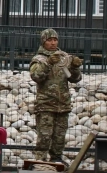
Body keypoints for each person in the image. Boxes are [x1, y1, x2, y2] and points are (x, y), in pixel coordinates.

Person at [29, 28, 82, 164]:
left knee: (59, 137)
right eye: (49, 40)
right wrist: (49, 63)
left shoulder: (64, 58)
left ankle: (56, 159)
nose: (53, 43)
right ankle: (40, 161)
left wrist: (75, 67)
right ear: (43, 42)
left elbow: (74, 79)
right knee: (44, 137)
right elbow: (36, 76)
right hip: (45, 105)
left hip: (62, 105)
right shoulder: (39, 59)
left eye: (55, 40)